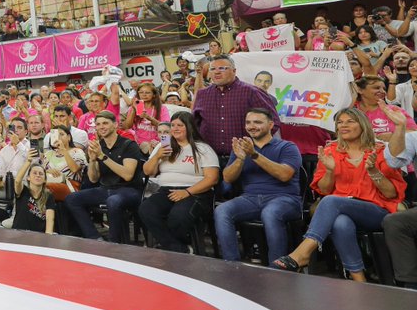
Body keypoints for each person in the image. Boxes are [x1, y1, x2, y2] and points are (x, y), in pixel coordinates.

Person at [272, 108, 405, 280]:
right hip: (338, 210)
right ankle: (360, 280)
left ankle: (302, 253)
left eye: (350, 121)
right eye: (340, 122)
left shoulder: (380, 151)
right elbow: (325, 189)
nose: (344, 125)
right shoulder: (331, 151)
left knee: (331, 201)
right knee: (340, 223)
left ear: (363, 124)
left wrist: (373, 171)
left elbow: (391, 193)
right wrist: (329, 171)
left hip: (376, 211)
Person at [212, 109, 304, 264]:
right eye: (248, 122)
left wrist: (254, 155)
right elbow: (227, 178)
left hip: (285, 199)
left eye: (257, 122)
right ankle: (232, 266)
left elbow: (284, 175)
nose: (251, 126)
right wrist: (240, 159)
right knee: (222, 210)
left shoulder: (287, 147)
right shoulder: (242, 147)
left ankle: (277, 269)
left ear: (271, 125)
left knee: (271, 212)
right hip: (250, 199)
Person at [138, 112, 219, 253]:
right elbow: (148, 171)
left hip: (196, 192)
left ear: (190, 127)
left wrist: (187, 192)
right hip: (166, 190)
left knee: (177, 216)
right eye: (173, 125)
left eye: (180, 125)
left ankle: (168, 247)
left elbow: (212, 178)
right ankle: (179, 249)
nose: (175, 128)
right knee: (146, 210)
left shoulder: (203, 148)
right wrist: (157, 156)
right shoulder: (163, 146)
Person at [64, 111, 144, 242]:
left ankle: (114, 242)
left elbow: (127, 175)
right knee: (72, 199)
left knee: (113, 201)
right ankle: (95, 237)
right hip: (105, 189)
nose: (101, 127)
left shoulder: (129, 145)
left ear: (115, 125)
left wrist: (102, 157)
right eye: (98, 124)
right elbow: (93, 179)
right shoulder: (98, 146)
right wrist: (94, 160)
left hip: (129, 190)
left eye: (105, 123)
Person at [191, 55, 278, 159]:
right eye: (213, 69)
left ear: (234, 71)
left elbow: (273, 122)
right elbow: (194, 125)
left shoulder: (252, 92)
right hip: (210, 160)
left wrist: (254, 147)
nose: (217, 72)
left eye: (222, 68)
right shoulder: (203, 94)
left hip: (246, 159)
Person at [381, 104, 417, 289]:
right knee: (396, 222)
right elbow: (394, 160)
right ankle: (410, 287)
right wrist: (400, 128)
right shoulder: (414, 137)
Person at [4, 159, 56, 233]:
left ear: (45, 179)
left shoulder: (49, 196)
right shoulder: (23, 190)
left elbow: (50, 219)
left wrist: (48, 237)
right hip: (18, 233)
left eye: (41, 174)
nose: (38, 175)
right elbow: (17, 181)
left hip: (38, 237)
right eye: (34, 173)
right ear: (28, 178)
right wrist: (28, 161)